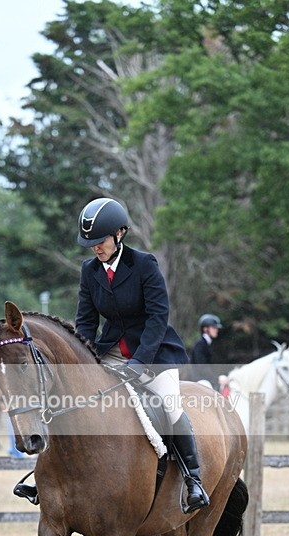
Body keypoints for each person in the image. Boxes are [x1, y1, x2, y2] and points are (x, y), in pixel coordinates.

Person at [74, 197, 209, 513]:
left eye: (101, 240)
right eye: (90, 243)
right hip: (111, 353)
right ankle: (50, 477)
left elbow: (158, 317)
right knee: (76, 400)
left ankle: (193, 480)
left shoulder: (144, 264)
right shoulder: (89, 271)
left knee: (170, 405)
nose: (96, 248)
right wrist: (83, 357)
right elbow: (86, 321)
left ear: (120, 233)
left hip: (154, 351)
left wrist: (140, 362)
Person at [190, 313, 223, 388]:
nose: (216, 330)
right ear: (205, 329)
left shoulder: (209, 344)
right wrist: (216, 379)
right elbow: (202, 367)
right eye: (214, 328)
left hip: (206, 378)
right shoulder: (200, 344)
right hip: (200, 380)